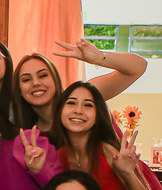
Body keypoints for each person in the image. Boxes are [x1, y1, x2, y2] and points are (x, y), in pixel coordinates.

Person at [53, 81, 162, 190]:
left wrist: (127, 173)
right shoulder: (59, 156)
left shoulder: (109, 151)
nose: (78, 110)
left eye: (88, 105)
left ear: (98, 115)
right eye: (71, 103)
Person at [12, 39, 147, 136]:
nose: (35, 83)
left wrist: (100, 58)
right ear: (19, 89)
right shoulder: (24, 133)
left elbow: (138, 67)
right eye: (26, 79)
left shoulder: (82, 96)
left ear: (55, 79)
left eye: (43, 75)